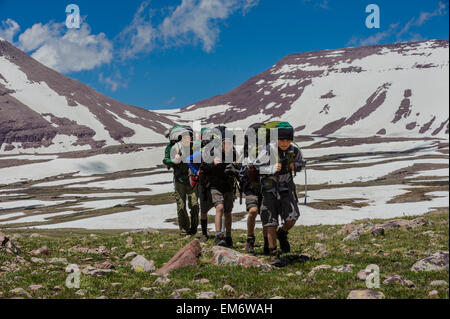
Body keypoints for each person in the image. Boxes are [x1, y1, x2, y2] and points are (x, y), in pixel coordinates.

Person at [255, 122, 304, 266]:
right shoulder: (267, 150)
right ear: (276, 138)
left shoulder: (295, 150)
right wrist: (271, 168)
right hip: (270, 190)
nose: (285, 143)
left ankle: (282, 233)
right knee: (271, 222)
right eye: (282, 139)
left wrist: (296, 166)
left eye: (288, 140)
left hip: (287, 189)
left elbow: (302, 163)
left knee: (292, 217)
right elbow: (257, 167)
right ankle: (273, 253)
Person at [200, 126, 238, 247]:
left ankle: (228, 236)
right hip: (214, 185)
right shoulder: (212, 152)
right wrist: (213, 163)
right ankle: (218, 236)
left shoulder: (233, 153)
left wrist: (234, 169)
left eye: (230, 144)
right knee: (219, 208)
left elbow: (239, 169)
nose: (227, 146)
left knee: (228, 211)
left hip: (228, 186)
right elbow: (203, 167)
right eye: (225, 143)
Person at [163, 127, 199, 236]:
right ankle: (184, 230)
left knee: (194, 205)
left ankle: (193, 229)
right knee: (181, 205)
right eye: (185, 137)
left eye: (189, 136)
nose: (187, 138)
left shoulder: (195, 147)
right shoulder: (174, 147)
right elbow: (165, 159)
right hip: (179, 180)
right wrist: (174, 160)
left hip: (192, 180)